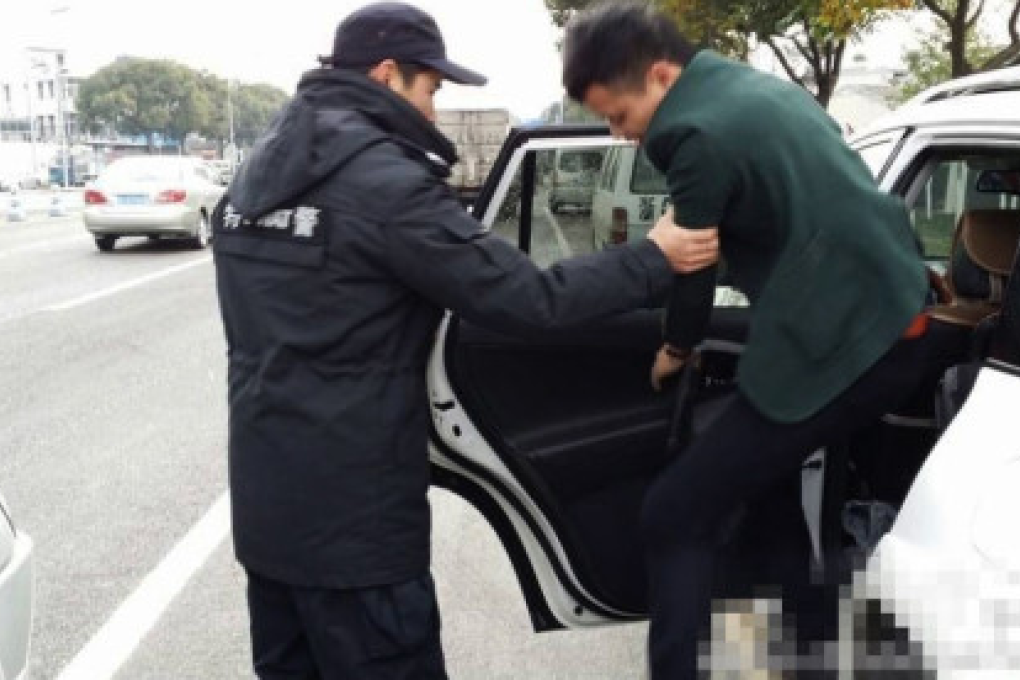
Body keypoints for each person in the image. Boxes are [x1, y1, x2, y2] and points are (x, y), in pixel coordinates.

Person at [211, 3, 707, 678]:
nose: (434, 112)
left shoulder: (253, 177)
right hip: (359, 528)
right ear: (388, 76)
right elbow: (532, 300)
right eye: (431, 90)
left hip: (267, 513)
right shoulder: (384, 187)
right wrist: (655, 258)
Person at [563, 3, 937, 678]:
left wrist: (676, 349)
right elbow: (769, 224)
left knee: (673, 513)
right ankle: (818, 646)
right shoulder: (756, 89)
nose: (620, 135)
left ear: (658, 75)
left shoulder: (691, 131)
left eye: (618, 115)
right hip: (895, 318)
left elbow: (693, 261)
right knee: (763, 490)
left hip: (843, 341)